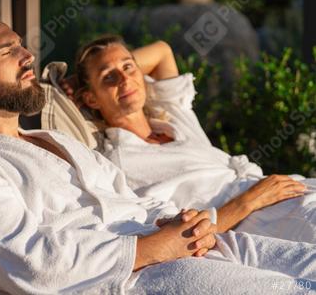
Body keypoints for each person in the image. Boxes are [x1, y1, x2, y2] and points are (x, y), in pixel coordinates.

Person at [0, 5, 316, 294]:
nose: (28, 56)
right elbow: (29, 263)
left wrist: (180, 222)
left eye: (22, 46)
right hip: (136, 277)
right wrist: (146, 248)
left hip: (180, 243)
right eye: (8, 51)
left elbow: (134, 202)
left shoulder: (56, 143)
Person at [69, 34, 316, 243]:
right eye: (108, 77)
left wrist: (95, 75)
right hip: (252, 220)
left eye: (128, 67)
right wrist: (249, 201)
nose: (124, 80)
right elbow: (176, 233)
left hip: (281, 191)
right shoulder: (119, 163)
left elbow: (162, 52)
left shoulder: (172, 116)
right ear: (90, 99)